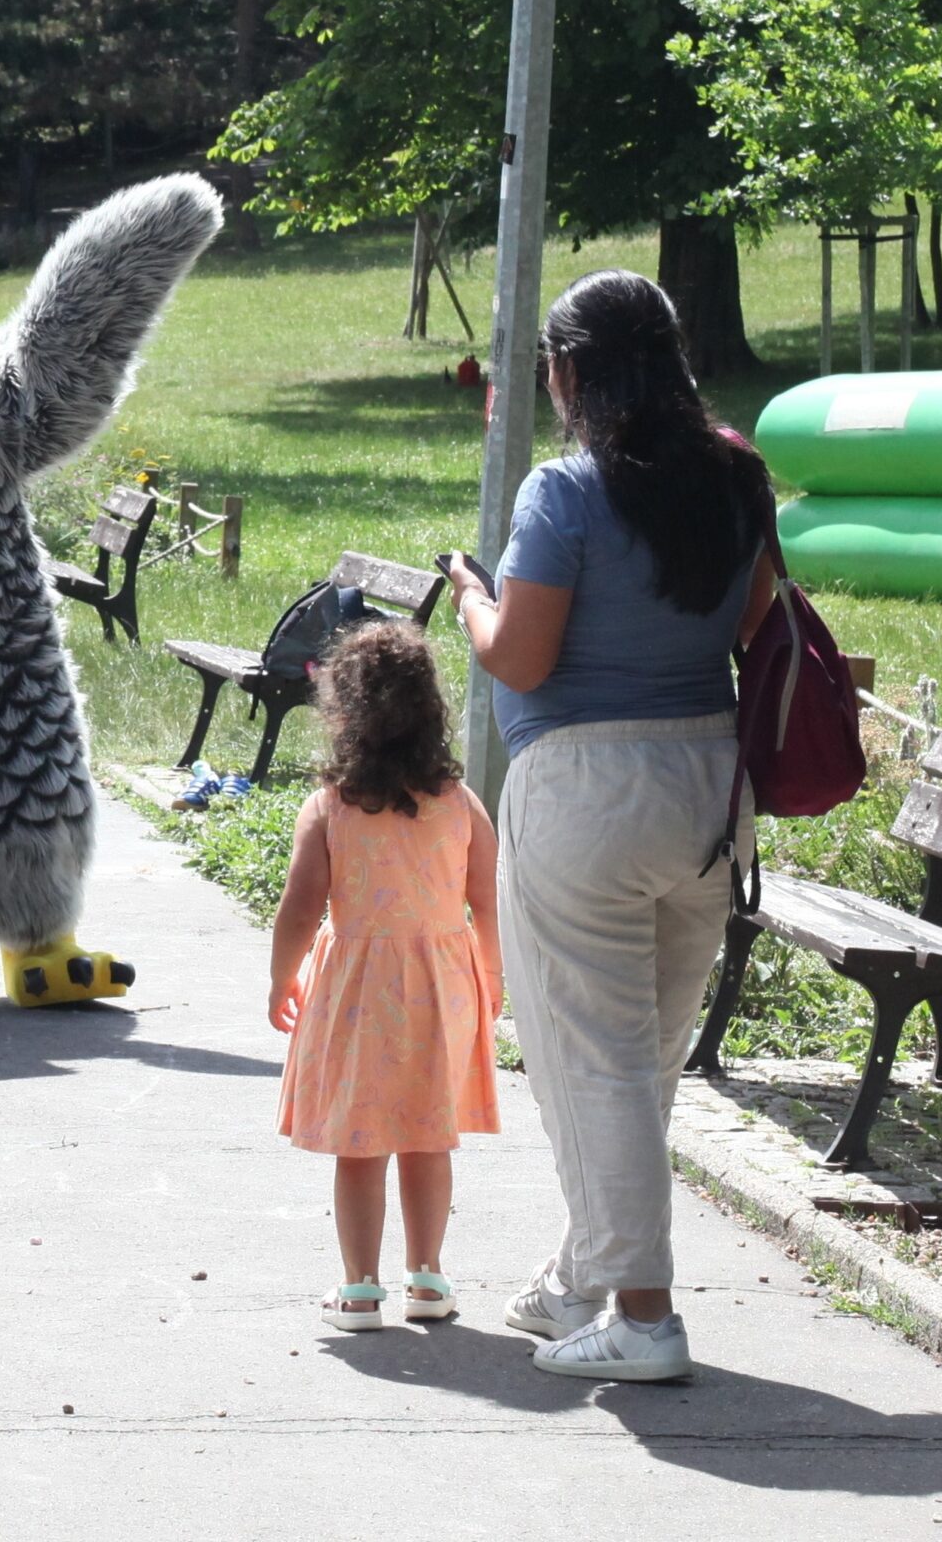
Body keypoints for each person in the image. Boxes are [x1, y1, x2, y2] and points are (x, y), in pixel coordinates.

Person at [443, 268, 774, 1384]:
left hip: (585, 790)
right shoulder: (738, 479)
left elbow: (522, 656)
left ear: (571, 371)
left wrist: (472, 598)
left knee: (596, 1066)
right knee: (643, 1062)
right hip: (709, 788)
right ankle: (582, 1278)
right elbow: (757, 621)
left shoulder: (563, 491)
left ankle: (643, 1317)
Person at [266, 624, 501, 1332]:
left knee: (359, 1143)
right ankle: (427, 1278)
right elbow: (486, 903)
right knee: (429, 1137)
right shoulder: (461, 804)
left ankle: (360, 1288)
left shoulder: (331, 808)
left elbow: (299, 908)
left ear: (344, 714)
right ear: (433, 711)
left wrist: (281, 979)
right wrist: (490, 980)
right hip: (440, 987)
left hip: (358, 995)